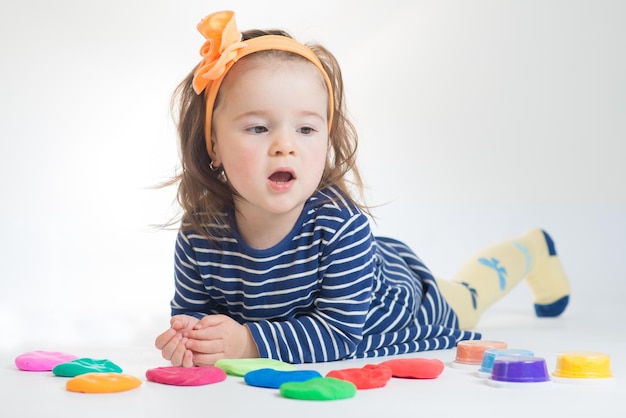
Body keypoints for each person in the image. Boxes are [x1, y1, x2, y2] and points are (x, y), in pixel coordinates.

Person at [154, 10, 570, 367]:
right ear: (213, 143)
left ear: (327, 136)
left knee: (468, 295)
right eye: (258, 128)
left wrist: (247, 343)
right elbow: (193, 314)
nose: (285, 145)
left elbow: (339, 335)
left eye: (306, 128)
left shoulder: (340, 227)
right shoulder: (200, 232)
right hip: (364, 274)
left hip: (406, 303)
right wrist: (188, 339)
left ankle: (534, 249)